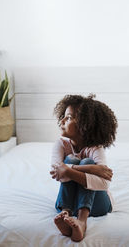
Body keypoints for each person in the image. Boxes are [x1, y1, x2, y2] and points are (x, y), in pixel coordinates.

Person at [50, 94, 118, 242]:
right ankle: (65, 214)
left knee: (85, 160)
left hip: (98, 205)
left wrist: (68, 169)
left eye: (68, 118)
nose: (62, 121)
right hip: (69, 202)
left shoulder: (95, 149)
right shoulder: (61, 144)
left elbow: (104, 183)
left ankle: (82, 221)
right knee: (71, 159)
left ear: (84, 125)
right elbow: (57, 172)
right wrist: (92, 169)